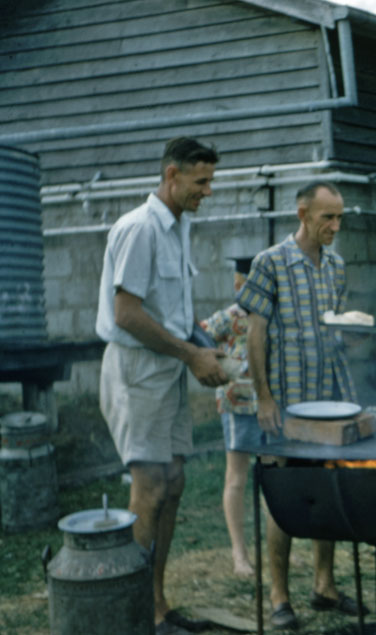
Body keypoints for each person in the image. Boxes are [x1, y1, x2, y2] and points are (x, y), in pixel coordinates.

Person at [96, 136, 225, 635]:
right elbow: (127, 315)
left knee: (173, 484)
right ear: (171, 176)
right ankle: (138, 615)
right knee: (149, 489)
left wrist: (203, 342)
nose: (207, 191)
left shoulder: (178, 227)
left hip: (166, 369)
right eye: (201, 181)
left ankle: (158, 603)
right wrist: (191, 354)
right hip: (136, 372)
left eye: (210, 181)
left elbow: (168, 311)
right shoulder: (139, 228)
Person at [240, 182, 366, 630]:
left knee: (327, 487)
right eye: (326, 217)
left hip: (330, 395)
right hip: (287, 398)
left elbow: (336, 327)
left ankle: (324, 585)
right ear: (303, 213)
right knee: (284, 495)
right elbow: (255, 334)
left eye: (339, 218)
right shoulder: (270, 262)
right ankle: (278, 595)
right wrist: (264, 397)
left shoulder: (336, 265)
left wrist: (350, 335)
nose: (334, 226)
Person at [200, 257, 258, 578]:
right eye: (248, 284)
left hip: (269, 406)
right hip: (236, 406)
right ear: (238, 285)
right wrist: (222, 363)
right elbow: (200, 336)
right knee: (237, 476)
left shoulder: (270, 316)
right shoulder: (229, 318)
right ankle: (239, 554)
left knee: (274, 474)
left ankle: (273, 545)